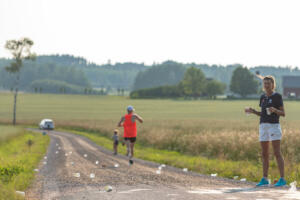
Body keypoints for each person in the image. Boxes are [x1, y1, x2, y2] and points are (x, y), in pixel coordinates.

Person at [245, 76, 286, 187]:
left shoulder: (277, 96)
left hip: (274, 126)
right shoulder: (262, 97)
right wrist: (253, 111)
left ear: (273, 84)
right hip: (263, 126)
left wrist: (275, 110)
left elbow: (283, 113)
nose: (266, 85)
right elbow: (262, 114)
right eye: (265, 83)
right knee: (264, 153)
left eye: (268, 83)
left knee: (277, 152)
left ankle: (282, 179)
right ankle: (265, 179)